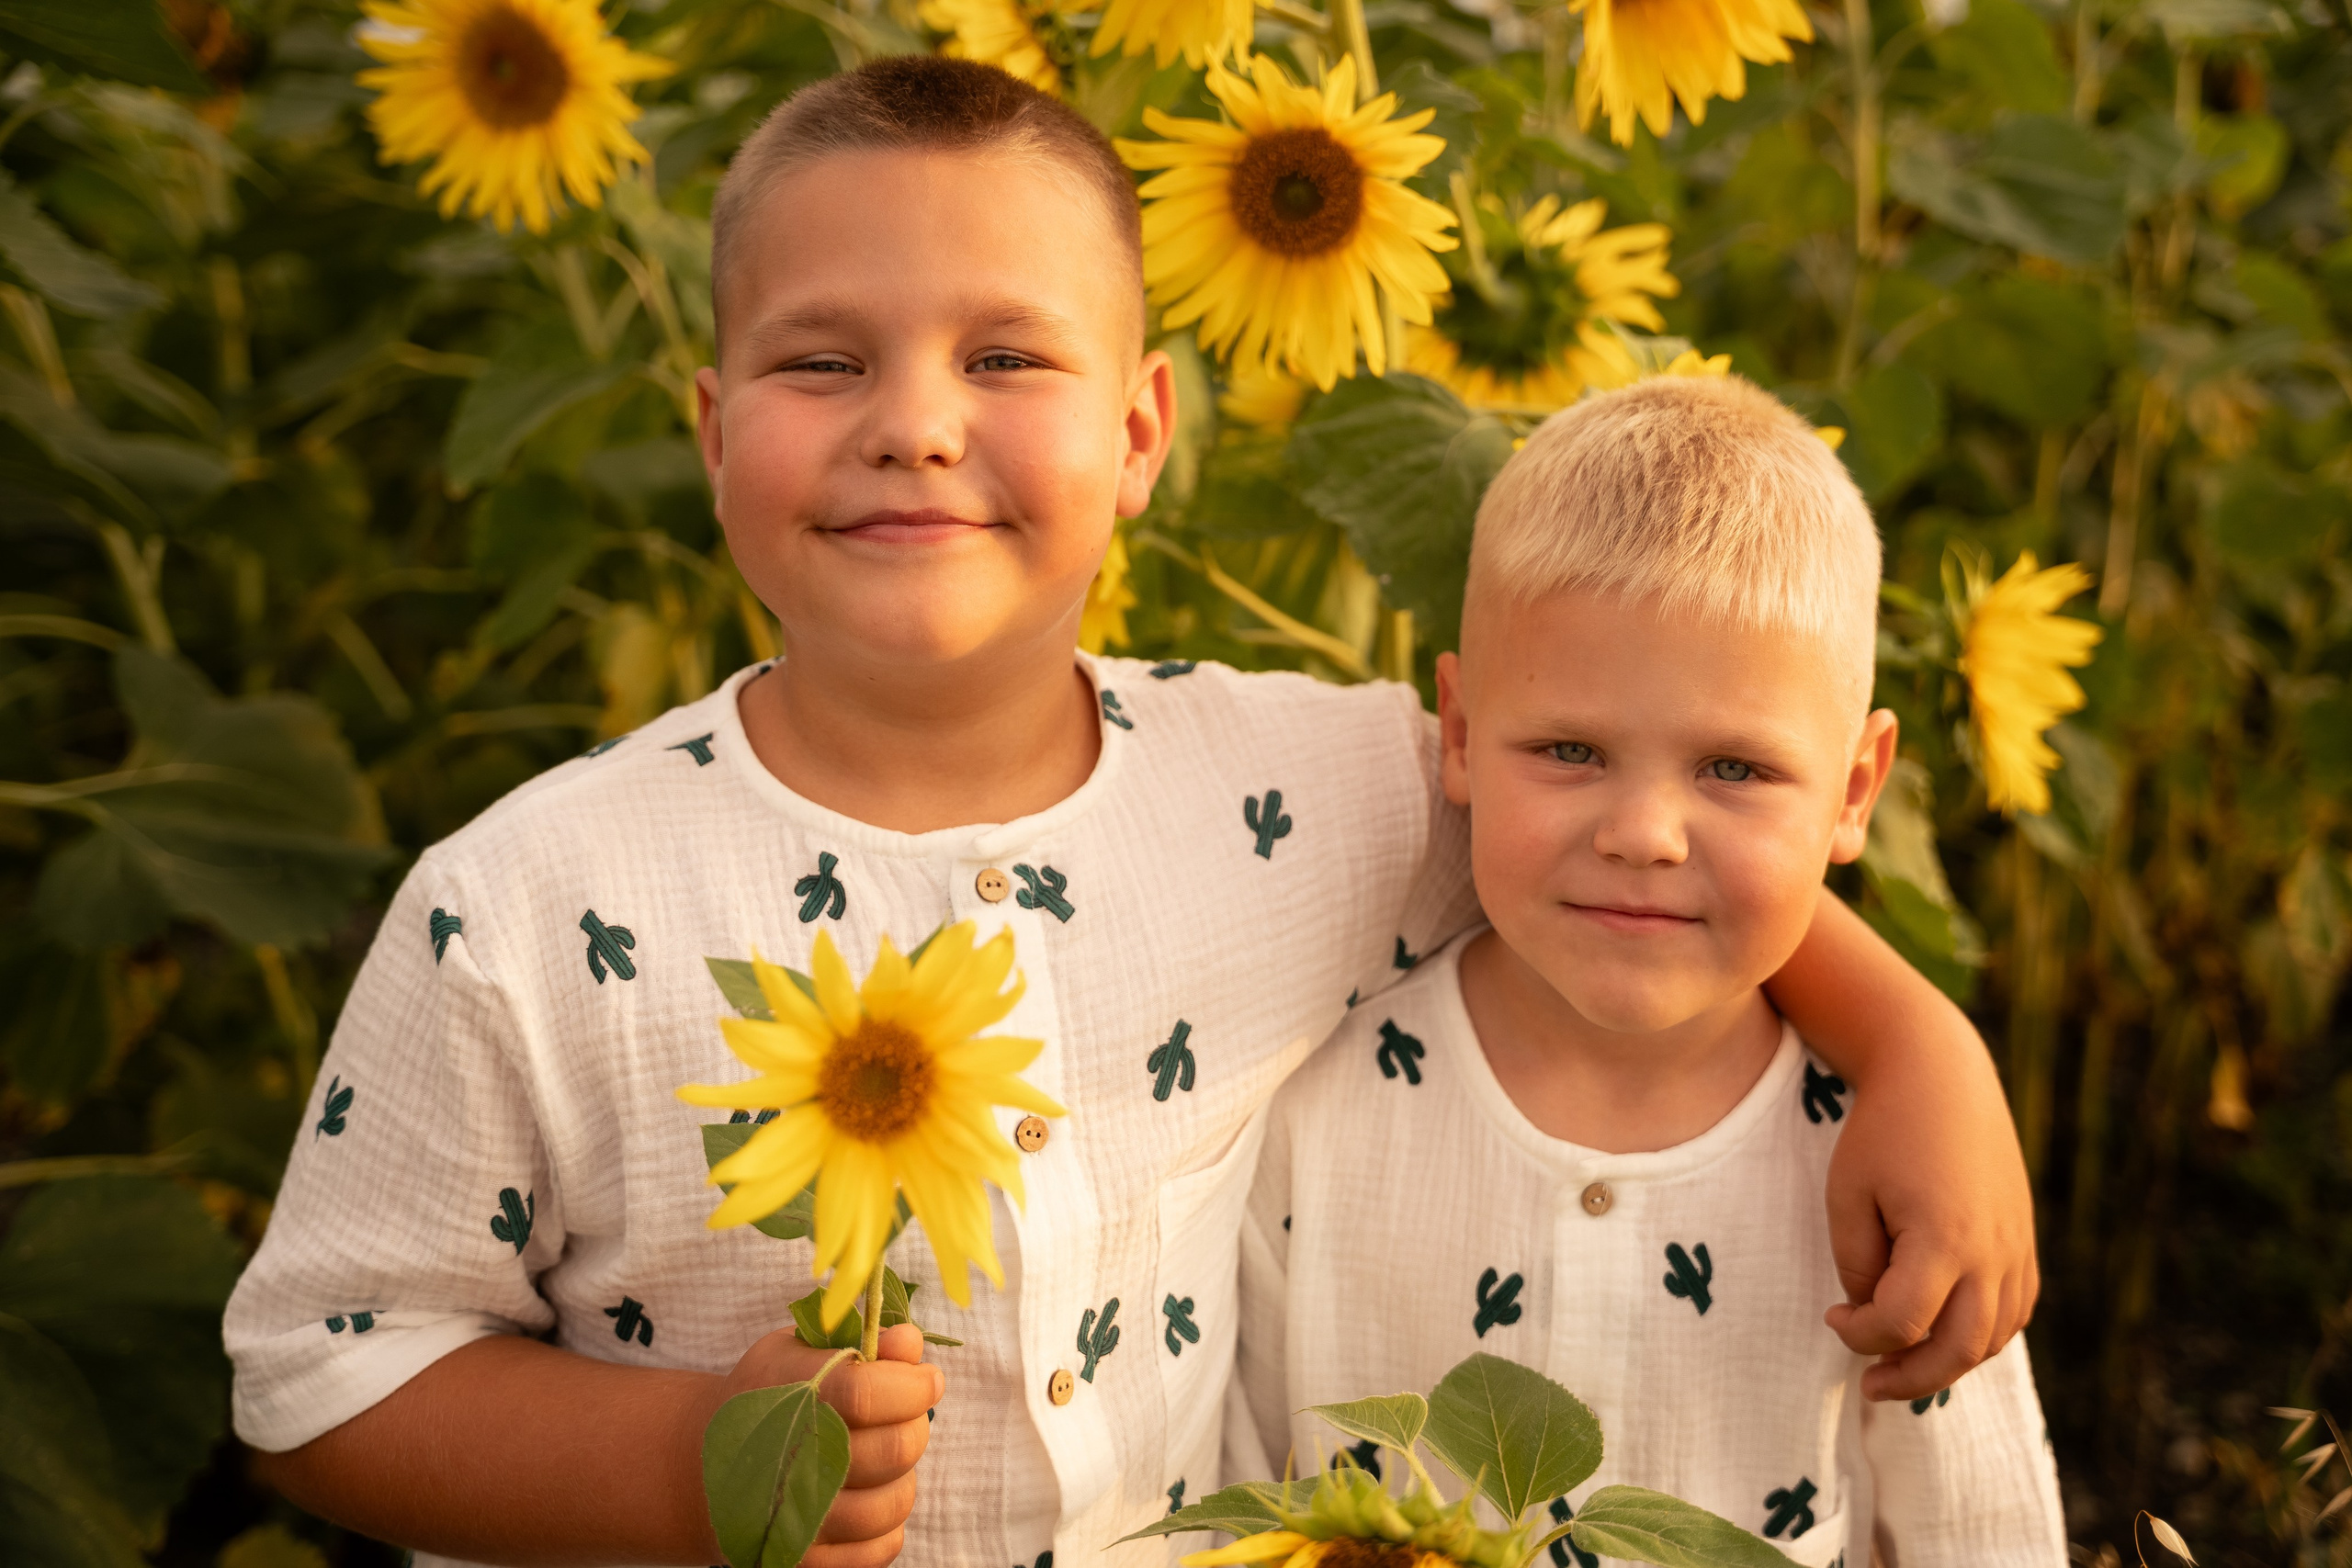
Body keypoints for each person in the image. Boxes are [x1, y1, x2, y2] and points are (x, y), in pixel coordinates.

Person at [224, 57, 2039, 1568]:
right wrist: (689, 1460)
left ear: (1144, 432)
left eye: (1007, 358)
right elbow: (319, 1372)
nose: (916, 424)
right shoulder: (531, 904)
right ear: (710, 432)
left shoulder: (1295, 787)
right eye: (820, 361)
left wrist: (1915, 1046)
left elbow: (1618, 823)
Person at [1233, 373, 2065, 1565]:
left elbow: (1977, 1536)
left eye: (1733, 770)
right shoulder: (1316, 1120)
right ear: (1458, 734)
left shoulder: (1889, 1170)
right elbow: (1232, 1494)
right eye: (1571, 750)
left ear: (1855, 790)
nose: (1645, 833)